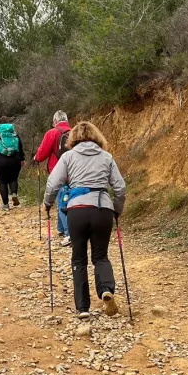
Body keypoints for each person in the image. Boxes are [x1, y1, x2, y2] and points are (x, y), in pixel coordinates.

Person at [44, 122, 126, 320]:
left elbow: (53, 183)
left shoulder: (68, 156)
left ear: (73, 139)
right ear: (97, 137)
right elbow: (120, 188)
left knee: (78, 258)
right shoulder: (106, 157)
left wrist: (47, 204)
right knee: (100, 256)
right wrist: (116, 209)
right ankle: (106, 289)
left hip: (77, 210)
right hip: (102, 210)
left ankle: (83, 307)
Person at [35, 111, 73, 246]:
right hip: (74, 173)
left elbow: (42, 153)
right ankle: (61, 229)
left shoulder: (52, 133)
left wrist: (36, 158)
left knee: (62, 201)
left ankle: (69, 234)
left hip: (59, 172)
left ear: (55, 120)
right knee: (65, 198)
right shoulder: (74, 132)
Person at [0, 116, 25, 211]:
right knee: (13, 179)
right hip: (15, 159)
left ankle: (5, 205)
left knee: (2, 182)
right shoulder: (14, 132)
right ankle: (14, 193)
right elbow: (20, 146)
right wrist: (22, 158)